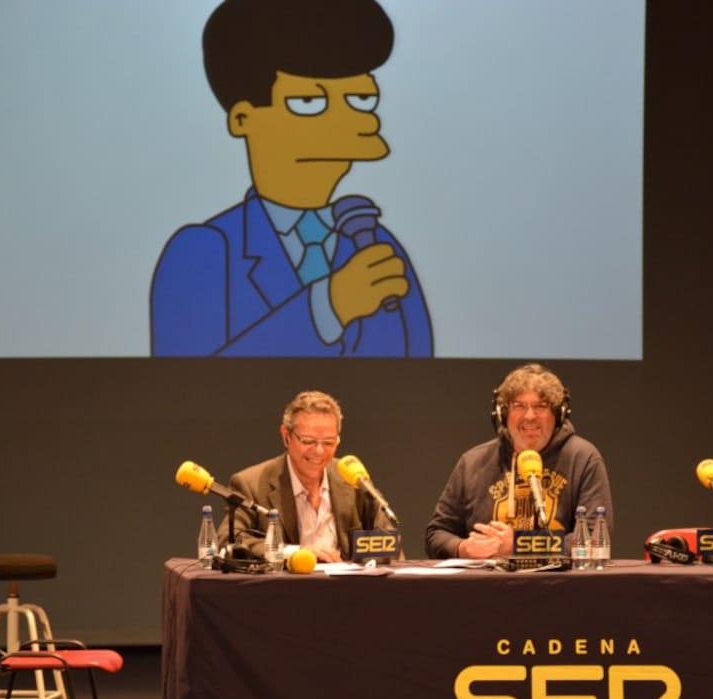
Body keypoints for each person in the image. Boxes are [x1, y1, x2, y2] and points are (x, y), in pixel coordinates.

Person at [149, 0, 433, 357]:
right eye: (308, 103)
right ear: (242, 119)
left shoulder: (374, 244)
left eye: (361, 98)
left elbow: (422, 365)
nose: (355, 119)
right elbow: (181, 381)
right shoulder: (205, 250)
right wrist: (329, 307)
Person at [425, 364, 614, 559]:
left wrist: (520, 544)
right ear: (503, 414)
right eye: (519, 406)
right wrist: (462, 548)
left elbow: (594, 536)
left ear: (558, 415)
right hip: (485, 577)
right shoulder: (473, 462)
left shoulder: (582, 458)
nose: (530, 416)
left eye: (541, 406)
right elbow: (436, 534)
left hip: (558, 578)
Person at [219, 390, 394, 561]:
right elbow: (229, 541)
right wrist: (294, 553)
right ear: (286, 436)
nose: (319, 451)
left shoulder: (352, 478)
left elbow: (388, 542)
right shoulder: (251, 484)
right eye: (308, 441)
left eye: (329, 442)